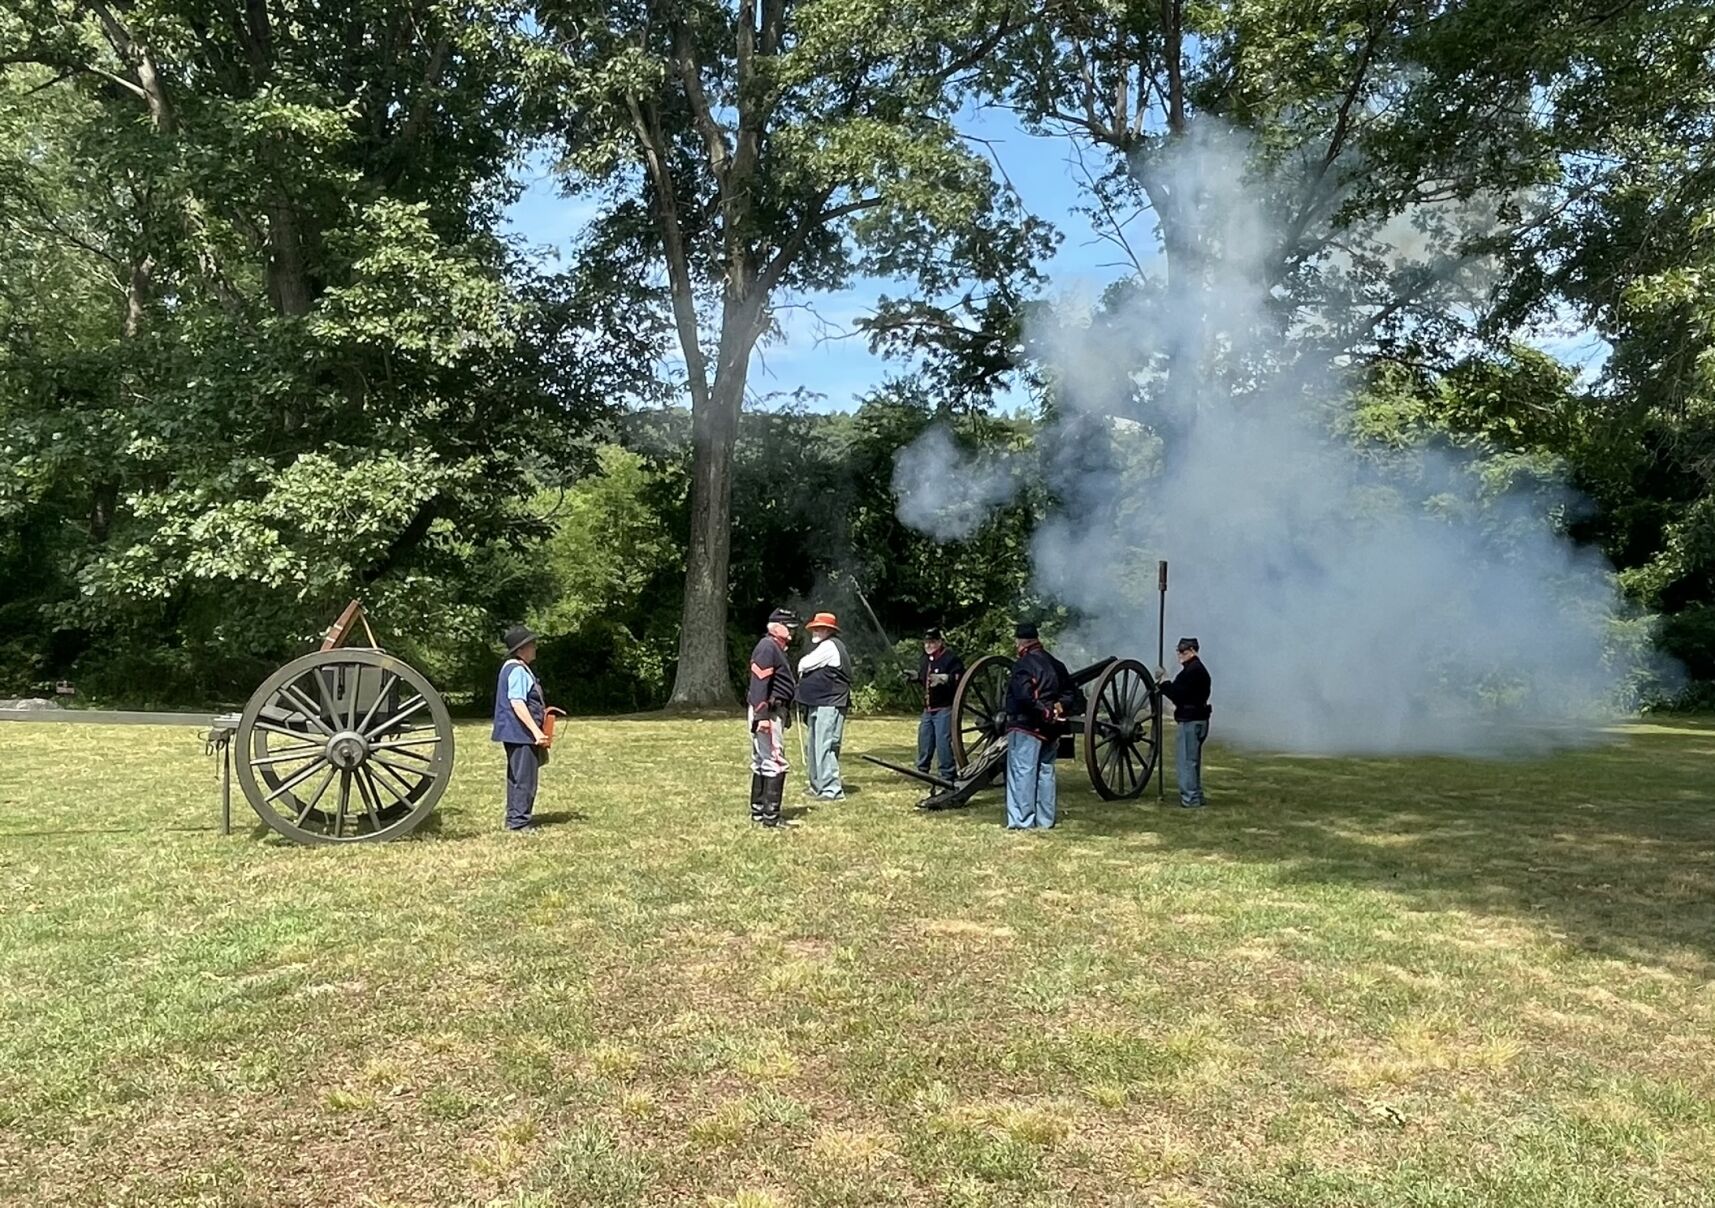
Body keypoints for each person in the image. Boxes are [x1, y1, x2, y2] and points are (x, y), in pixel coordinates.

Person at [1002, 622, 1077, 830]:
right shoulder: (1056, 664)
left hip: (1027, 725)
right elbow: (1071, 694)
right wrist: (1056, 709)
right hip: (1051, 728)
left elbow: (1023, 696)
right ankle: (1045, 820)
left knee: (1022, 772)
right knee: (1045, 771)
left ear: (1019, 642)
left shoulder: (1024, 664)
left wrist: (1043, 711)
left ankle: (1021, 821)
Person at [491, 625, 548, 832]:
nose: (535, 648)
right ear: (521, 649)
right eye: (531, 645)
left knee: (517, 776)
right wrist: (536, 731)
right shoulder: (517, 670)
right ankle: (519, 822)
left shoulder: (511, 667)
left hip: (515, 732)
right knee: (524, 778)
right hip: (521, 733)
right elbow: (517, 702)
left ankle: (515, 817)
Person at [747, 608, 799, 827]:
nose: (792, 632)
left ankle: (759, 811)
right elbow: (759, 683)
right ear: (776, 626)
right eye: (788, 627)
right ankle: (771, 817)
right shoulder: (768, 647)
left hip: (771, 710)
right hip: (768, 711)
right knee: (775, 761)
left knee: (761, 760)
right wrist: (763, 716)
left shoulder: (773, 648)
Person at [795, 612, 851, 801]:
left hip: (829, 703)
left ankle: (831, 790)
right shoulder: (827, 645)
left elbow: (804, 664)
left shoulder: (829, 646)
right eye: (815, 627)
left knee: (824, 745)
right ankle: (817, 786)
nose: (816, 631)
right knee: (814, 745)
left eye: (820, 628)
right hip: (820, 702)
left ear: (829, 631)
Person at [1157, 637, 1213, 808]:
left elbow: (1178, 694)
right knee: (1192, 761)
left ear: (1193, 651)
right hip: (1197, 718)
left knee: (1186, 762)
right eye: (1179, 651)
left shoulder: (1193, 671)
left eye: (1184, 651)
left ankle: (1190, 799)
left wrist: (1164, 682)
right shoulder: (1195, 669)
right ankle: (1195, 795)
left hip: (1191, 720)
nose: (1180, 654)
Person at [912, 628, 965, 779]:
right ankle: (922, 770)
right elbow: (924, 677)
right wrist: (915, 676)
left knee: (943, 743)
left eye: (932, 642)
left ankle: (948, 774)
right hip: (928, 708)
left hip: (944, 707)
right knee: (924, 739)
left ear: (940, 642)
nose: (929, 645)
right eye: (926, 642)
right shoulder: (925, 659)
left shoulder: (950, 658)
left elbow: (960, 677)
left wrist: (945, 678)